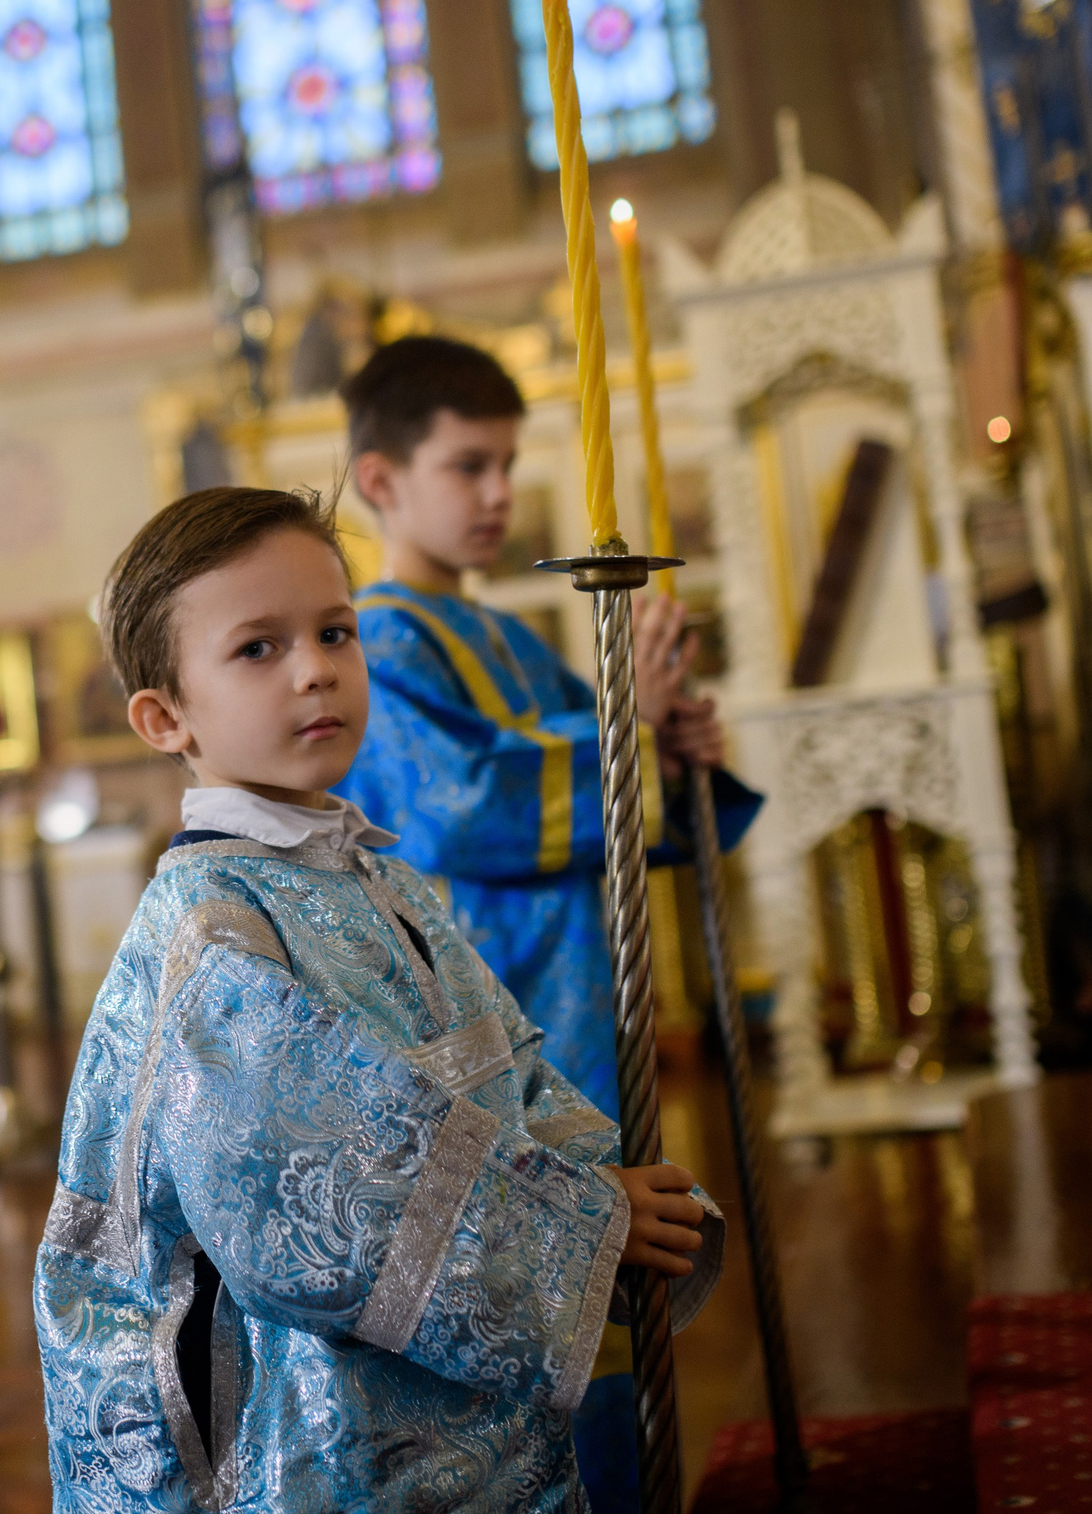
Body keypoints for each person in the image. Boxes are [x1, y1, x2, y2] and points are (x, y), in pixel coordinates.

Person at [36, 485, 723, 1511]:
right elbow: (328, 1203)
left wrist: (613, 1188)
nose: (315, 667)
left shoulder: (368, 875)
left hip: (450, 1416)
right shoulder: (217, 931)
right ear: (162, 717)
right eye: (257, 648)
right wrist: (583, 1222)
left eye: (334, 631)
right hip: (321, 1438)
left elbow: (509, 1065)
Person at [332, 334, 762, 1508]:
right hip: (490, 1015)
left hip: (576, 988)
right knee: (549, 1296)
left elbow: (618, 800)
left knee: (613, 1288)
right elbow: (463, 806)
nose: (497, 495)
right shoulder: (378, 637)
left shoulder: (505, 635)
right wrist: (630, 727)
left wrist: (675, 753)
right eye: (467, 466)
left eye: (506, 465)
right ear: (380, 481)